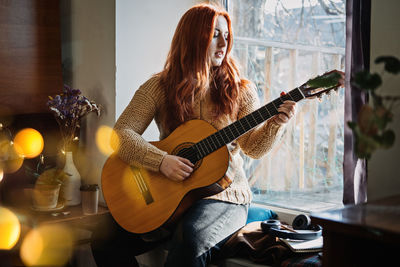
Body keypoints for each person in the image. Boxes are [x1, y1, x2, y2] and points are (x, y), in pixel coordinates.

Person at [91, 3, 296, 267]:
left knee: (189, 239)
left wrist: (276, 124)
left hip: (224, 197)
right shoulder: (159, 87)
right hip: (169, 195)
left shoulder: (240, 90)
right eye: (214, 35)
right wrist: (161, 161)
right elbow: (120, 135)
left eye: (226, 35)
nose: (224, 43)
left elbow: (253, 148)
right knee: (103, 237)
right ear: (192, 39)